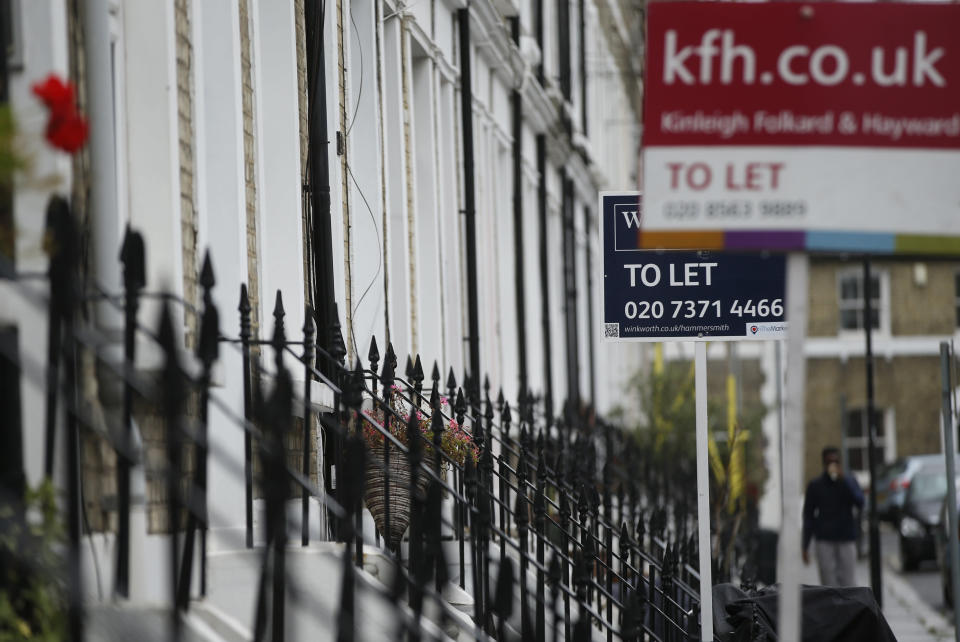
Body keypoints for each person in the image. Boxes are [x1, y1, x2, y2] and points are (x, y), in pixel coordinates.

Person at [802, 446, 865, 586]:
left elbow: (860, 502)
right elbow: (808, 515)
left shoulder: (849, 481)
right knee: (828, 582)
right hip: (824, 539)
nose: (832, 465)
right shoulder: (815, 485)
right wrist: (805, 545)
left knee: (848, 582)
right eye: (829, 462)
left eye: (835, 461)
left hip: (846, 537)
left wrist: (844, 480)